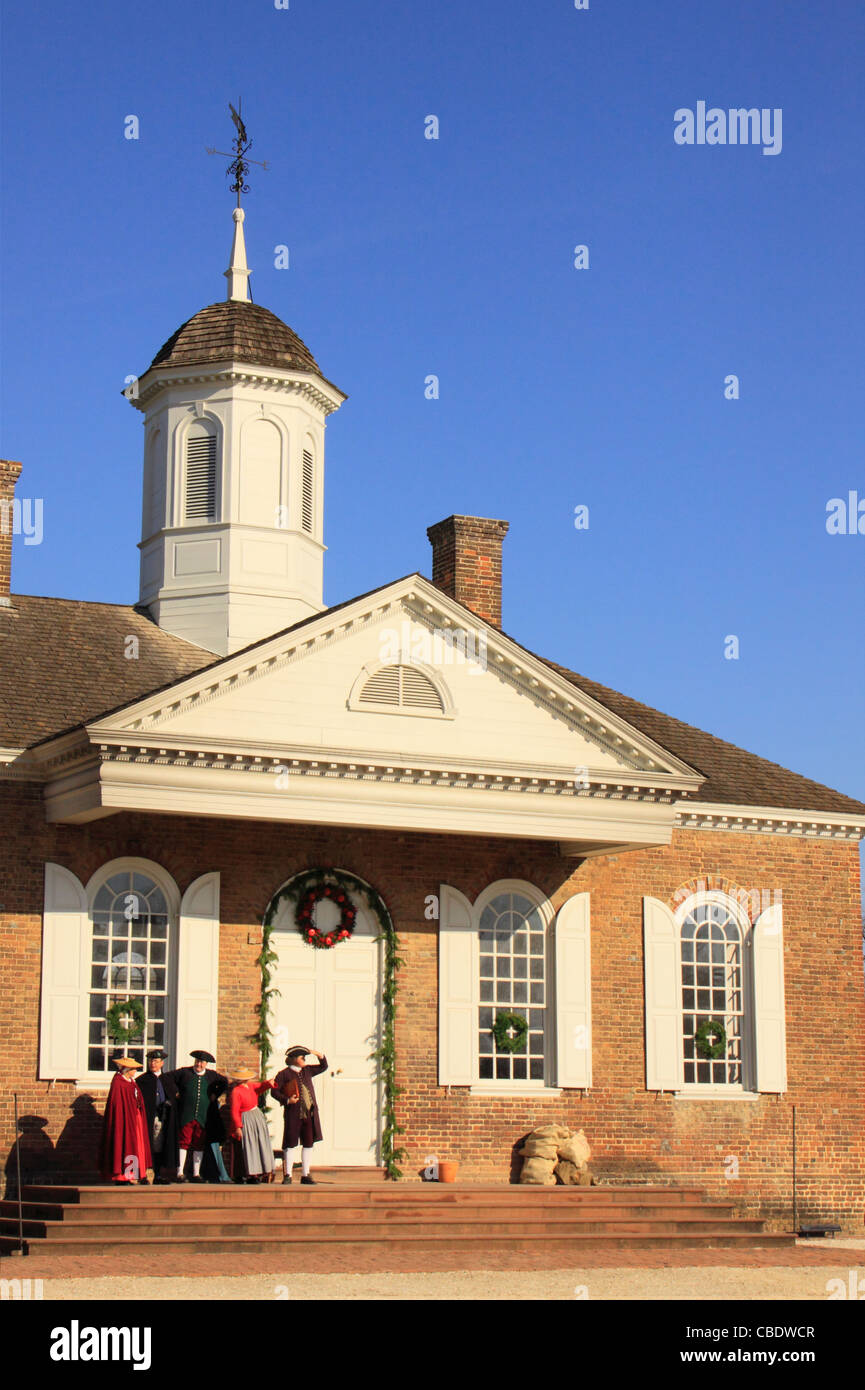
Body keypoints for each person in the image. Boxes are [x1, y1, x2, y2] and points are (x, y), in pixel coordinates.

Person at [168, 1049, 229, 1182]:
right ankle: (179, 1172)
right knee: (183, 1142)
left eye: (201, 1062)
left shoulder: (211, 1076)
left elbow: (224, 1082)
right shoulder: (185, 1072)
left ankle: (196, 1174)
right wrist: (176, 1092)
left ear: (206, 1064)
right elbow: (168, 1078)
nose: (199, 1064)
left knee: (199, 1143)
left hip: (203, 1116)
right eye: (197, 1061)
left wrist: (215, 1094)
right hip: (186, 1115)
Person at [271, 1045, 328, 1185]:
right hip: (293, 1114)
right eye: (302, 1057)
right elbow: (274, 1092)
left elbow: (323, 1066)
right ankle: (288, 1175)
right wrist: (287, 1100)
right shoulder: (283, 1074)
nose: (304, 1060)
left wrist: (317, 1053)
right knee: (290, 1143)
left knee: (308, 1143)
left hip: (309, 1113)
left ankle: (305, 1174)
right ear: (294, 1059)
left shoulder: (307, 1070)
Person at [99, 1056, 152, 1185]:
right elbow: (117, 1105)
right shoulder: (118, 1082)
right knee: (124, 1146)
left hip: (135, 1120)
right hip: (124, 1122)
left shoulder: (131, 1082)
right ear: (127, 1069)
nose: (135, 1071)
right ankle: (123, 1176)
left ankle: (133, 1174)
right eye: (133, 1069)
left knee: (135, 1146)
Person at [136, 1048, 179, 1184]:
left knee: (159, 1146)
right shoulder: (142, 1080)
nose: (152, 1063)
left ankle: (158, 1175)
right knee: (147, 1145)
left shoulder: (167, 1079)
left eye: (155, 1061)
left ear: (162, 1063)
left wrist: (169, 1103)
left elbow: (173, 1096)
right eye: (150, 1061)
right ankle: (143, 1174)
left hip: (162, 1118)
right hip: (148, 1118)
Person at [229, 1066, 275, 1183]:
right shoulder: (236, 1091)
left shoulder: (250, 1086)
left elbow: (260, 1087)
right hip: (246, 1119)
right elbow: (234, 1111)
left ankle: (256, 1173)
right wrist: (238, 1126)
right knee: (248, 1147)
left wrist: (269, 1083)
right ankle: (247, 1174)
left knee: (257, 1145)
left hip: (256, 1118)